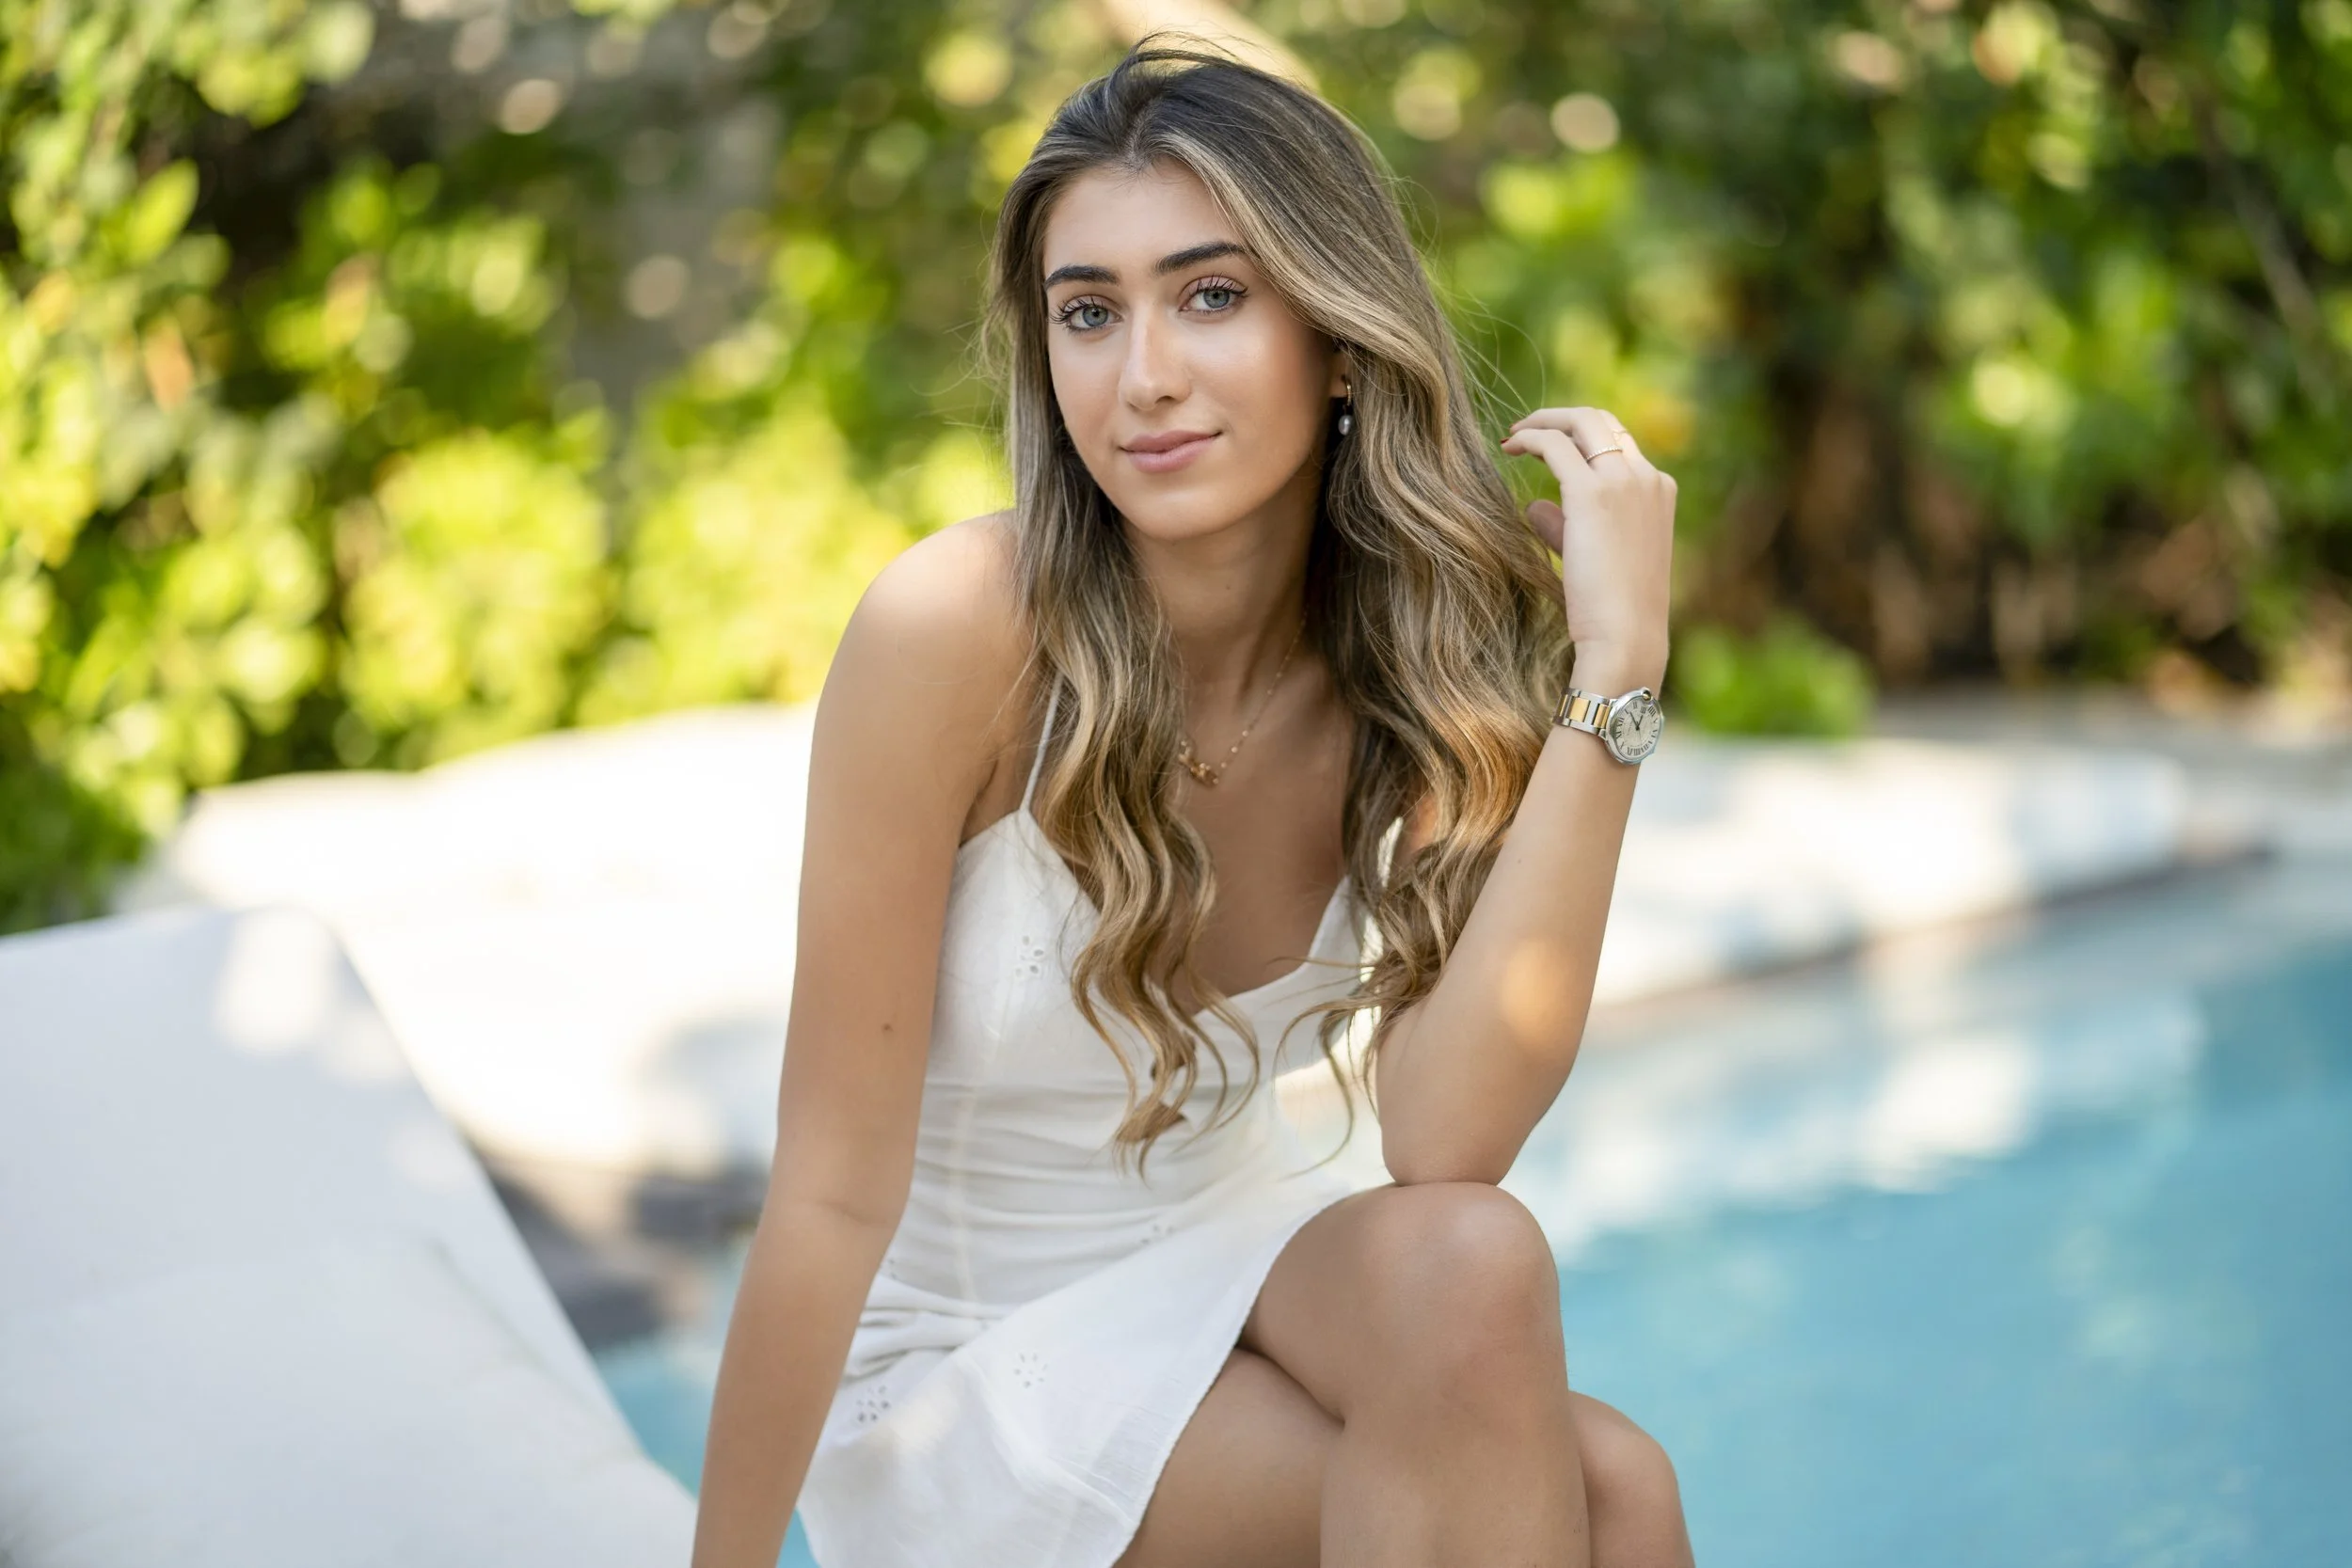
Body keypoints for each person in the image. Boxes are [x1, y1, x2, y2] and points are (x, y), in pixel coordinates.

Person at [691, 40, 1692, 1568]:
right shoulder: (958, 629)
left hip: (1228, 1269)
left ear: (1338, 337)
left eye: (1209, 295)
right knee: (1596, 1499)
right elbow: (828, 1193)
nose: (1142, 373)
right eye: (1089, 312)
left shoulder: (1408, 650)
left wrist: (1613, 678)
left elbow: (1447, 1141)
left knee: (1484, 1271)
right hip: (965, 1352)